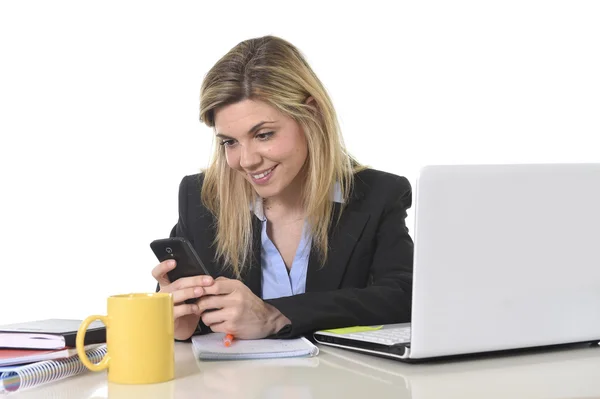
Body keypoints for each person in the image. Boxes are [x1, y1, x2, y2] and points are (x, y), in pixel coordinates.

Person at [151, 35, 413, 341]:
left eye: (263, 135)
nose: (246, 161)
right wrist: (178, 325)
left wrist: (274, 315)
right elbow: (178, 312)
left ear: (311, 115)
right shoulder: (201, 199)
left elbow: (404, 297)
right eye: (229, 142)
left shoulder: (378, 194)